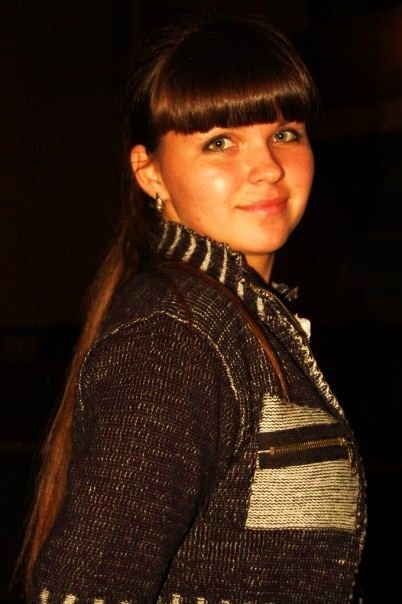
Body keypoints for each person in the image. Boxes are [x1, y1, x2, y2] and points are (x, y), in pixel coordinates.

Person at [20, 14, 366, 604]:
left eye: (285, 133)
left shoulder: (238, 317)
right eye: (219, 141)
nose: (268, 168)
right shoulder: (176, 335)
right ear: (150, 172)